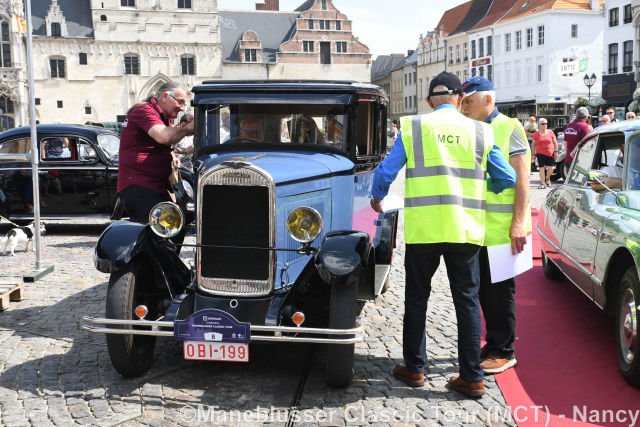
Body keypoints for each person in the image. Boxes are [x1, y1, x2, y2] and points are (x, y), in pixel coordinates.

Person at [370, 72, 516, 399]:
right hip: (465, 229)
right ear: (460, 99)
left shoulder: (413, 127)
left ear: (428, 101)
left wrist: (377, 197)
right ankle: (472, 377)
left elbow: (385, 172)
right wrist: (486, 186)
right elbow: (507, 177)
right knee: (466, 301)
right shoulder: (481, 131)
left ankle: (415, 368)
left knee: (417, 298)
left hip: (424, 229)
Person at [461, 76, 530, 374]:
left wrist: (517, 223)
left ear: (488, 100)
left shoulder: (509, 126)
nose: (463, 107)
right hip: (479, 228)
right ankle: (493, 343)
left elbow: (523, 180)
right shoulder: (474, 129)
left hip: (502, 229)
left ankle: (504, 350)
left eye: (469, 101)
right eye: (462, 101)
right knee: (484, 292)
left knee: (501, 292)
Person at [117, 81, 193, 222]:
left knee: (177, 224)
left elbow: (161, 141)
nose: (182, 108)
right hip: (140, 185)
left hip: (154, 185)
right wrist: (189, 128)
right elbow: (164, 136)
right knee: (164, 229)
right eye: (180, 102)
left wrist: (172, 154)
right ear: (165, 96)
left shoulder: (163, 117)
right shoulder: (144, 110)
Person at [563, 107, 590, 176]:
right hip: (579, 160)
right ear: (586, 116)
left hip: (568, 159)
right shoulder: (584, 126)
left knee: (571, 182)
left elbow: (565, 143)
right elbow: (587, 142)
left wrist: (567, 155)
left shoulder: (568, 126)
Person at [532, 118, 557, 188]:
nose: (544, 125)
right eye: (543, 124)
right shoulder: (536, 134)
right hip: (540, 154)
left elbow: (555, 142)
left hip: (550, 153)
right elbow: (533, 145)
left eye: (546, 123)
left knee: (551, 168)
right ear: (539, 125)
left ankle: (548, 178)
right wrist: (533, 154)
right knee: (541, 169)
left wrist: (556, 151)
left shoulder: (550, 132)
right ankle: (543, 183)